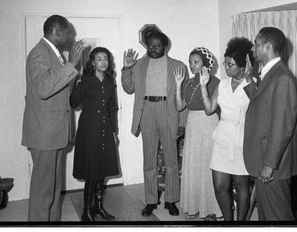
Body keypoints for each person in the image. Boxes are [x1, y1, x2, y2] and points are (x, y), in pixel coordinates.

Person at [21, 14, 85, 221]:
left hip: (54, 133)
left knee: (54, 190)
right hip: (44, 134)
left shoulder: (56, 54)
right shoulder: (39, 54)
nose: (71, 37)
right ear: (56, 31)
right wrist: (72, 65)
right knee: (43, 193)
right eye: (68, 32)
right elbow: (43, 89)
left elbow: (58, 91)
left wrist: (74, 74)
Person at [121, 30, 188, 216]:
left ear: (165, 46)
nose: (153, 49)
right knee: (149, 160)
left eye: (157, 46)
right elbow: (128, 88)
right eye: (150, 46)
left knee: (171, 161)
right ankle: (151, 200)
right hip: (147, 112)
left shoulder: (178, 66)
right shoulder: (139, 65)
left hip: (169, 112)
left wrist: (182, 123)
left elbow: (185, 97)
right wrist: (127, 68)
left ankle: (171, 200)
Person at [243, 27, 297, 221]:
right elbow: (262, 106)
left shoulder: (282, 77)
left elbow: (282, 127)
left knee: (278, 216)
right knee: (268, 215)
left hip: (273, 162)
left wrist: (269, 164)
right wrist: (248, 80)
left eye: (256, 44)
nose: (253, 49)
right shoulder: (270, 74)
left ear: (267, 46)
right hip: (264, 156)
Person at [199, 37, 255, 221]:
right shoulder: (222, 84)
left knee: (241, 187)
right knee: (220, 186)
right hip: (222, 138)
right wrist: (203, 86)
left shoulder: (253, 84)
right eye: (225, 63)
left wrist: (249, 78)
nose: (225, 67)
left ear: (243, 66)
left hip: (242, 140)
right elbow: (209, 110)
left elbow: (259, 108)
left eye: (230, 64)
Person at [70, 47, 120, 222]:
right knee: (92, 171)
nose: (103, 62)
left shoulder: (109, 80)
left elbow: (112, 108)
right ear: (92, 62)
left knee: (102, 169)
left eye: (106, 58)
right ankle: (86, 211)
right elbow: (74, 103)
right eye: (99, 59)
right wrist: (76, 82)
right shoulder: (85, 80)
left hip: (106, 128)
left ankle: (97, 206)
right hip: (89, 129)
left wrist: (115, 131)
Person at [173, 47, 222, 221]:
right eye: (190, 61)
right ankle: (194, 206)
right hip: (192, 124)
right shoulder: (187, 83)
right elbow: (179, 107)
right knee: (193, 165)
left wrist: (203, 84)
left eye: (196, 62)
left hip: (209, 125)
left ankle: (211, 209)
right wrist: (178, 85)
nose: (192, 65)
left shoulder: (215, 82)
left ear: (206, 64)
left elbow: (210, 111)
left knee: (208, 166)